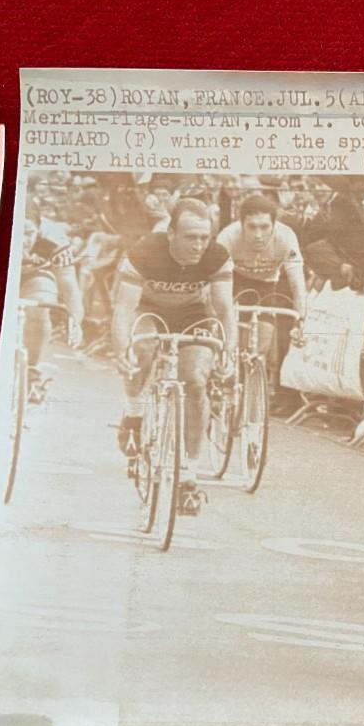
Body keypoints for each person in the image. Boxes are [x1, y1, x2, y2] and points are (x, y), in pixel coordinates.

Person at [112, 198, 238, 516]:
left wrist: (230, 350)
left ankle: (189, 476)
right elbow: (124, 309)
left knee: (195, 381)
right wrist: (122, 349)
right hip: (149, 310)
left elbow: (225, 309)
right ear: (170, 233)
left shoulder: (217, 256)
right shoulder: (145, 251)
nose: (198, 245)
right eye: (190, 237)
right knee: (141, 350)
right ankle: (134, 412)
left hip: (194, 313)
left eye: (204, 237)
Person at [217, 194, 308, 411]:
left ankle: (250, 388)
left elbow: (298, 285)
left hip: (266, 285)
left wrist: (301, 322)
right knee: (230, 337)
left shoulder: (286, 237)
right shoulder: (227, 237)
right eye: (252, 227)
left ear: (274, 224)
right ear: (241, 224)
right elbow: (217, 290)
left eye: (265, 227)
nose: (258, 235)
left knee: (260, 346)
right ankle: (223, 376)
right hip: (233, 281)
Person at [19, 215, 85, 401]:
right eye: (18, 231)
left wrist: (75, 323)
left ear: (39, 229)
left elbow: (70, 289)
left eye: (29, 233)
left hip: (34, 275)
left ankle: (31, 371)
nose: (23, 240)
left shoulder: (55, 239)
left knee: (40, 303)